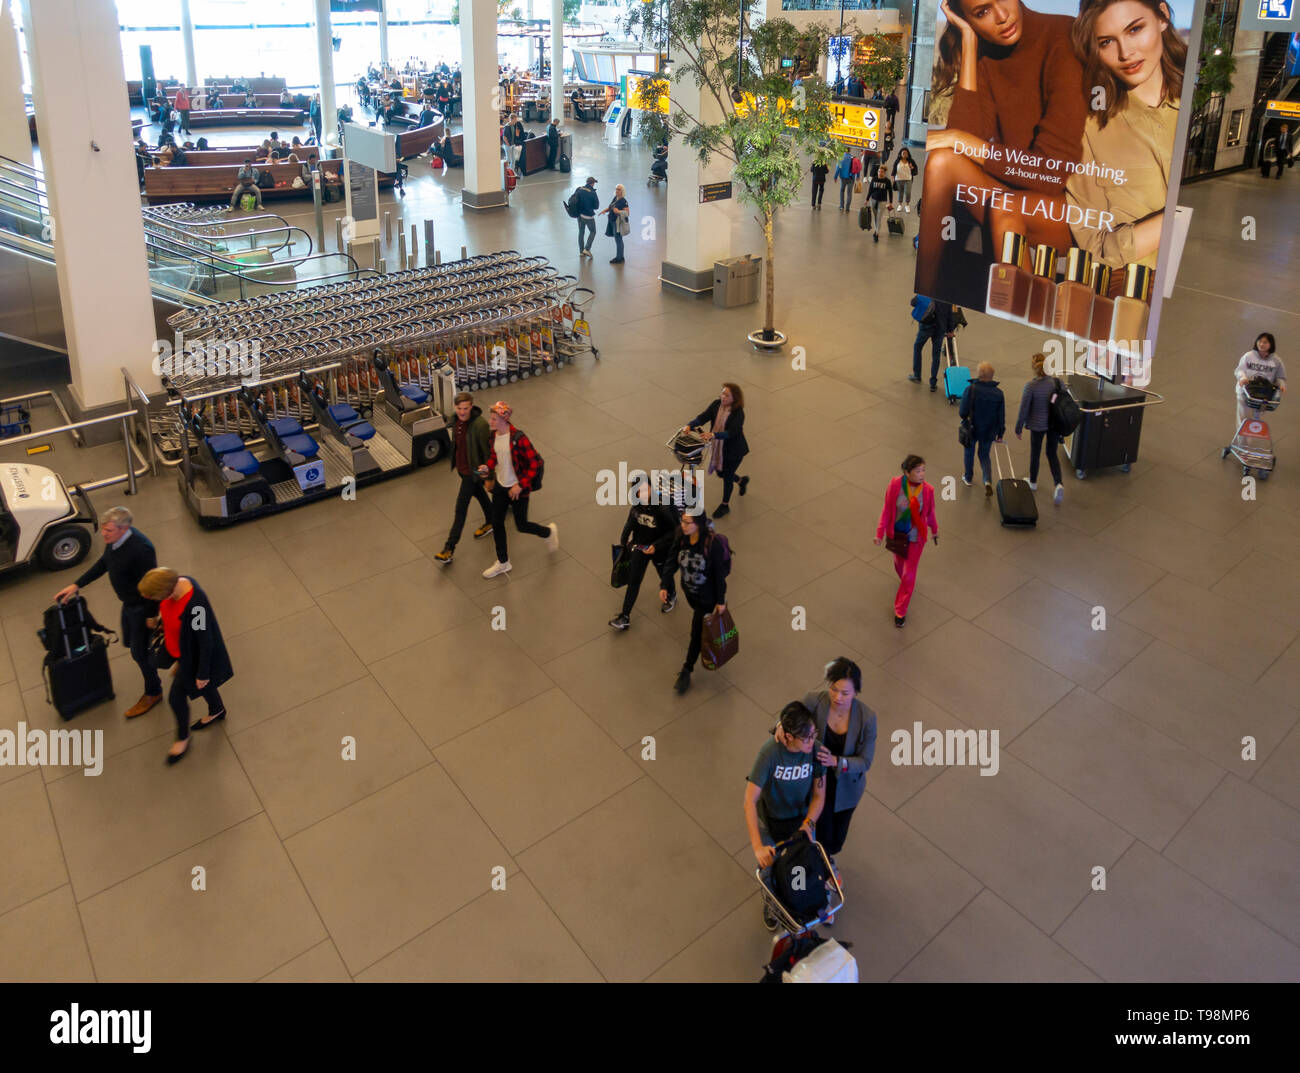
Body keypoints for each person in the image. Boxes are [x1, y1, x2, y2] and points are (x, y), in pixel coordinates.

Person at [917, 0, 1088, 304]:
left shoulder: (1064, 36)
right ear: (965, 17)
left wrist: (969, 143)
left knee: (1005, 206)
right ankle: (928, 297)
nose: (1002, 16)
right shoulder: (986, 51)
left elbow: (1051, 175)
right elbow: (965, 143)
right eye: (982, 12)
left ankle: (1022, 308)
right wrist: (970, 42)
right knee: (942, 162)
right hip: (1013, 192)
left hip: (1068, 208)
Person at [1065, 0, 1186, 271]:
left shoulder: (1201, 102)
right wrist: (1177, 218)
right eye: (1107, 42)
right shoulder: (1087, 127)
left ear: (1163, 16)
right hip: (1136, 290)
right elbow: (1093, 248)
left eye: (1134, 29)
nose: (1125, 53)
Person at [54, 507, 161, 720]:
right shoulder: (115, 543)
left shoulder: (142, 550)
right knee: (133, 645)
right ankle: (158, 656)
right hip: (128, 605)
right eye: (103, 530)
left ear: (124, 529)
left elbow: (153, 586)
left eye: (109, 531)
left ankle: (153, 691)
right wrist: (77, 585)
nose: (103, 535)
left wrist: (151, 616)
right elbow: (105, 563)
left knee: (139, 652)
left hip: (140, 608)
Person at [137, 568, 233, 765]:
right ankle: (217, 709)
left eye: (155, 597)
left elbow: (205, 641)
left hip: (192, 658)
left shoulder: (196, 605)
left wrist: (203, 672)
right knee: (203, 686)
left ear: (167, 591)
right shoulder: (177, 584)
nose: (154, 601)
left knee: (175, 698)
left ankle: (183, 738)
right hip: (177, 649)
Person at [744, 701, 826, 930]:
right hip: (772, 820)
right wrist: (757, 846)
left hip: (801, 820)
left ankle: (799, 902)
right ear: (788, 737)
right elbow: (749, 800)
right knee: (771, 870)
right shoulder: (769, 753)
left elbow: (819, 795)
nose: (812, 741)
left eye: (814, 735)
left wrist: (808, 825)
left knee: (800, 864)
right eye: (806, 738)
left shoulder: (816, 751)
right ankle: (773, 902)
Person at [805, 658, 877, 873]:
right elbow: (791, 717)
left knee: (837, 837)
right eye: (834, 690)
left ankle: (826, 859)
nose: (838, 697)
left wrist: (838, 762)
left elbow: (865, 761)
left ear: (856, 692)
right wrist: (781, 726)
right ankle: (824, 870)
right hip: (818, 781)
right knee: (824, 832)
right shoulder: (815, 701)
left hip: (846, 786)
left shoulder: (867, 718)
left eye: (845, 693)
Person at [477, 401, 558, 579]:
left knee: (521, 525)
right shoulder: (493, 436)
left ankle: (548, 532)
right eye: (491, 418)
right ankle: (503, 562)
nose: (490, 421)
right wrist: (487, 467)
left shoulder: (519, 439)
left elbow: (534, 464)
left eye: (493, 418)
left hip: (518, 489)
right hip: (500, 486)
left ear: (504, 419)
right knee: (497, 523)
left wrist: (520, 485)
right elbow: (494, 456)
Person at [658, 510, 728, 695]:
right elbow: (671, 560)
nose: (683, 525)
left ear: (698, 524)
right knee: (698, 627)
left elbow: (720, 577)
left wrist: (720, 601)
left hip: (707, 598)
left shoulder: (712, 546)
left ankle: (687, 669)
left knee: (696, 632)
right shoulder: (681, 537)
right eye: (682, 521)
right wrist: (665, 584)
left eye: (688, 523)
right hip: (690, 593)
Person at [873, 454, 939, 627]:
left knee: (909, 575)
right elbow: (887, 510)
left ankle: (900, 611)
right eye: (918, 471)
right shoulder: (895, 485)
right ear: (907, 472)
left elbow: (930, 512)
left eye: (923, 470)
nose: (922, 474)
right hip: (898, 535)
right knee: (899, 566)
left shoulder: (928, 490)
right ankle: (905, 586)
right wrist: (880, 533)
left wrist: (934, 530)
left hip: (917, 538)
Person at [609, 479, 680, 630]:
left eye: (646, 490)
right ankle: (625, 616)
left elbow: (675, 531)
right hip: (641, 547)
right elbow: (629, 524)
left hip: (660, 549)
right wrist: (624, 543)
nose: (643, 494)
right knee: (634, 580)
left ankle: (672, 594)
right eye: (639, 491)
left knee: (663, 574)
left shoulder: (662, 508)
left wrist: (657, 546)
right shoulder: (636, 507)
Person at [433, 392, 495, 565]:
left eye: (466, 408)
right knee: (481, 495)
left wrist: (489, 476)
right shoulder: (456, 421)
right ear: (455, 408)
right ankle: (492, 520)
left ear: (472, 406)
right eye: (459, 408)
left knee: (460, 510)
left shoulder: (480, 425)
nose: (462, 412)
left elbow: (488, 452)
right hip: (462, 470)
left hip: (472, 473)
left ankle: (449, 548)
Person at [685, 383, 749, 517]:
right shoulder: (716, 404)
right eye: (722, 393)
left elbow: (731, 432)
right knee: (721, 473)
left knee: (727, 476)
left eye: (727, 395)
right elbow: (704, 417)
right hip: (718, 447)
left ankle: (725, 505)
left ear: (735, 398)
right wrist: (690, 425)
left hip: (734, 451)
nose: (723, 397)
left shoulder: (738, 413)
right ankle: (741, 481)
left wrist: (714, 435)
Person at [1015, 352, 1066, 503]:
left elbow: (1024, 409)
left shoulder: (1031, 386)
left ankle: (1033, 481)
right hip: (1054, 424)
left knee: (1035, 453)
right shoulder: (1057, 383)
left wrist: (1018, 428)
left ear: (1034, 368)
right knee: (1052, 453)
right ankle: (1058, 483)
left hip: (1037, 425)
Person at [959, 361, 1007, 494]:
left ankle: (968, 477)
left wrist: (965, 419)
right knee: (984, 455)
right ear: (992, 376)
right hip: (989, 430)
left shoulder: (971, 389)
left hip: (972, 429)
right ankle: (987, 480)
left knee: (969, 452)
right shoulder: (999, 393)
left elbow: (963, 412)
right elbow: (1001, 416)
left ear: (979, 375)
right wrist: (1001, 433)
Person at [1234, 332, 1287, 427]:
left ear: (1271, 344)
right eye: (1260, 341)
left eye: (1265, 342)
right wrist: (1243, 377)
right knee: (1243, 418)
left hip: (1263, 395)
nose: (1261, 344)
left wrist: (1282, 385)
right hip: (1245, 392)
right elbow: (1239, 370)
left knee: (1256, 420)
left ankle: (1251, 435)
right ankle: (1242, 441)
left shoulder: (1276, 361)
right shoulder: (1248, 356)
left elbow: (1280, 377)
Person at [909, 296, 957, 390]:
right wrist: (950, 330)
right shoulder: (946, 297)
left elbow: (913, 302)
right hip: (940, 328)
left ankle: (917, 375)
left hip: (926, 326)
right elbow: (950, 315)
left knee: (918, 347)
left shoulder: (926, 292)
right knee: (936, 355)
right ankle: (933, 383)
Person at [600, 183, 629, 264]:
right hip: (612, 221)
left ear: (622, 191)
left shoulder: (623, 201)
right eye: (616, 189)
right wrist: (605, 211)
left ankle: (619, 258)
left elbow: (627, 213)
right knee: (618, 239)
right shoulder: (615, 198)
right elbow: (611, 207)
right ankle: (621, 256)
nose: (616, 191)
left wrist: (618, 211)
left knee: (618, 239)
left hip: (618, 223)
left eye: (619, 189)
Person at [575, 176, 600, 258]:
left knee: (581, 232)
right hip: (588, 216)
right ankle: (587, 248)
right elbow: (596, 206)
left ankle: (581, 251)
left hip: (580, 216)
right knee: (593, 231)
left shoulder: (579, 190)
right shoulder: (592, 192)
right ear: (592, 184)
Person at [867, 164, 892, 242]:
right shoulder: (874, 179)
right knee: (875, 217)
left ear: (884, 173)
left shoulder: (887, 181)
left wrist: (891, 202)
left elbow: (890, 192)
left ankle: (877, 233)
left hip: (882, 201)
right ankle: (876, 229)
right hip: (873, 200)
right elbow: (870, 190)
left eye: (881, 172)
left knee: (879, 218)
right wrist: (867, 199)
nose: (879, 173)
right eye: (878, 171)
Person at [891, 147, 918, 212]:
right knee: (900, 192)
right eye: (903, 153)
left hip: (908, 179)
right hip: (898, 179)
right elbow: (894, 169)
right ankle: (900, 205)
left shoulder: (911, 161)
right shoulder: (897, 161)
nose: (904, 154)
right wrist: (892, 177)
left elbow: (915, 170)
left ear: (908, 154)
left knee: (908, 192)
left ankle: (907, 205)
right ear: (900, 154)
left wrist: (911, 167)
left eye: (906, 153)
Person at [834, 147, 859, 212]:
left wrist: (835, 177)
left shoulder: (841, 158)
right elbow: (857, 167)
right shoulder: (853, 158)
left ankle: (842, 206)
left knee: (842, 191)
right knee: (849, 193)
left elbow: (838, 168)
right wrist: (858, 176)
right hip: (851, 178)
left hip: (843, 178)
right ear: (850, 150)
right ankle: (847, 208)